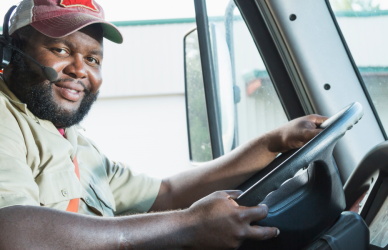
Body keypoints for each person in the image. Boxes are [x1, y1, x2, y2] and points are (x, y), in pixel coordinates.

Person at [0, 0, 327, 249]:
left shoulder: (72, 141)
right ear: (11, 50)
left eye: (93, 59)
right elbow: (12, 230)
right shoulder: (6, 120)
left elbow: (165, 195)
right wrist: (188, 225)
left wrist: (275, 142)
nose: (79, 70)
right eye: (60, 49)